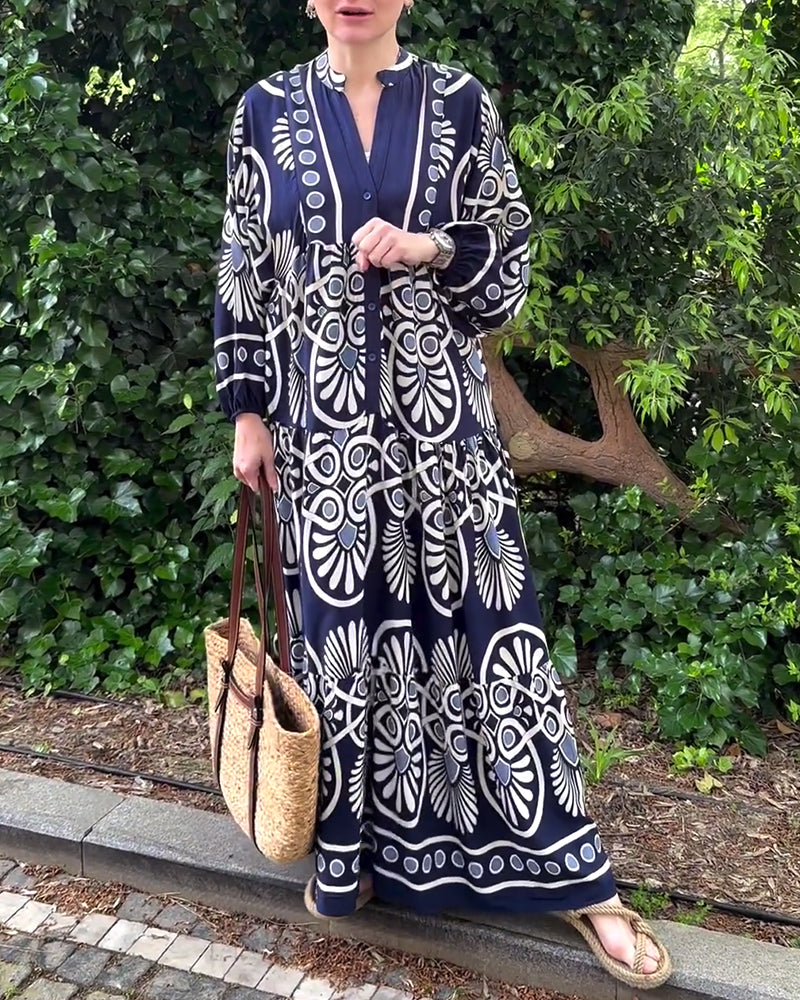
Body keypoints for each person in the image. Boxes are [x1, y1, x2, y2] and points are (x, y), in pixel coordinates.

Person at [213, 0, 672, 990]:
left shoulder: (460, 104)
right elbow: (243, 266)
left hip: (443, 433)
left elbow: (506, 269)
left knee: (491, 634)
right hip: (323, 436)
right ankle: (356, 856)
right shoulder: (263, 110)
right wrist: (248, 412)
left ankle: (572, 874)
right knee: (345, 641)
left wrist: (429, 247)